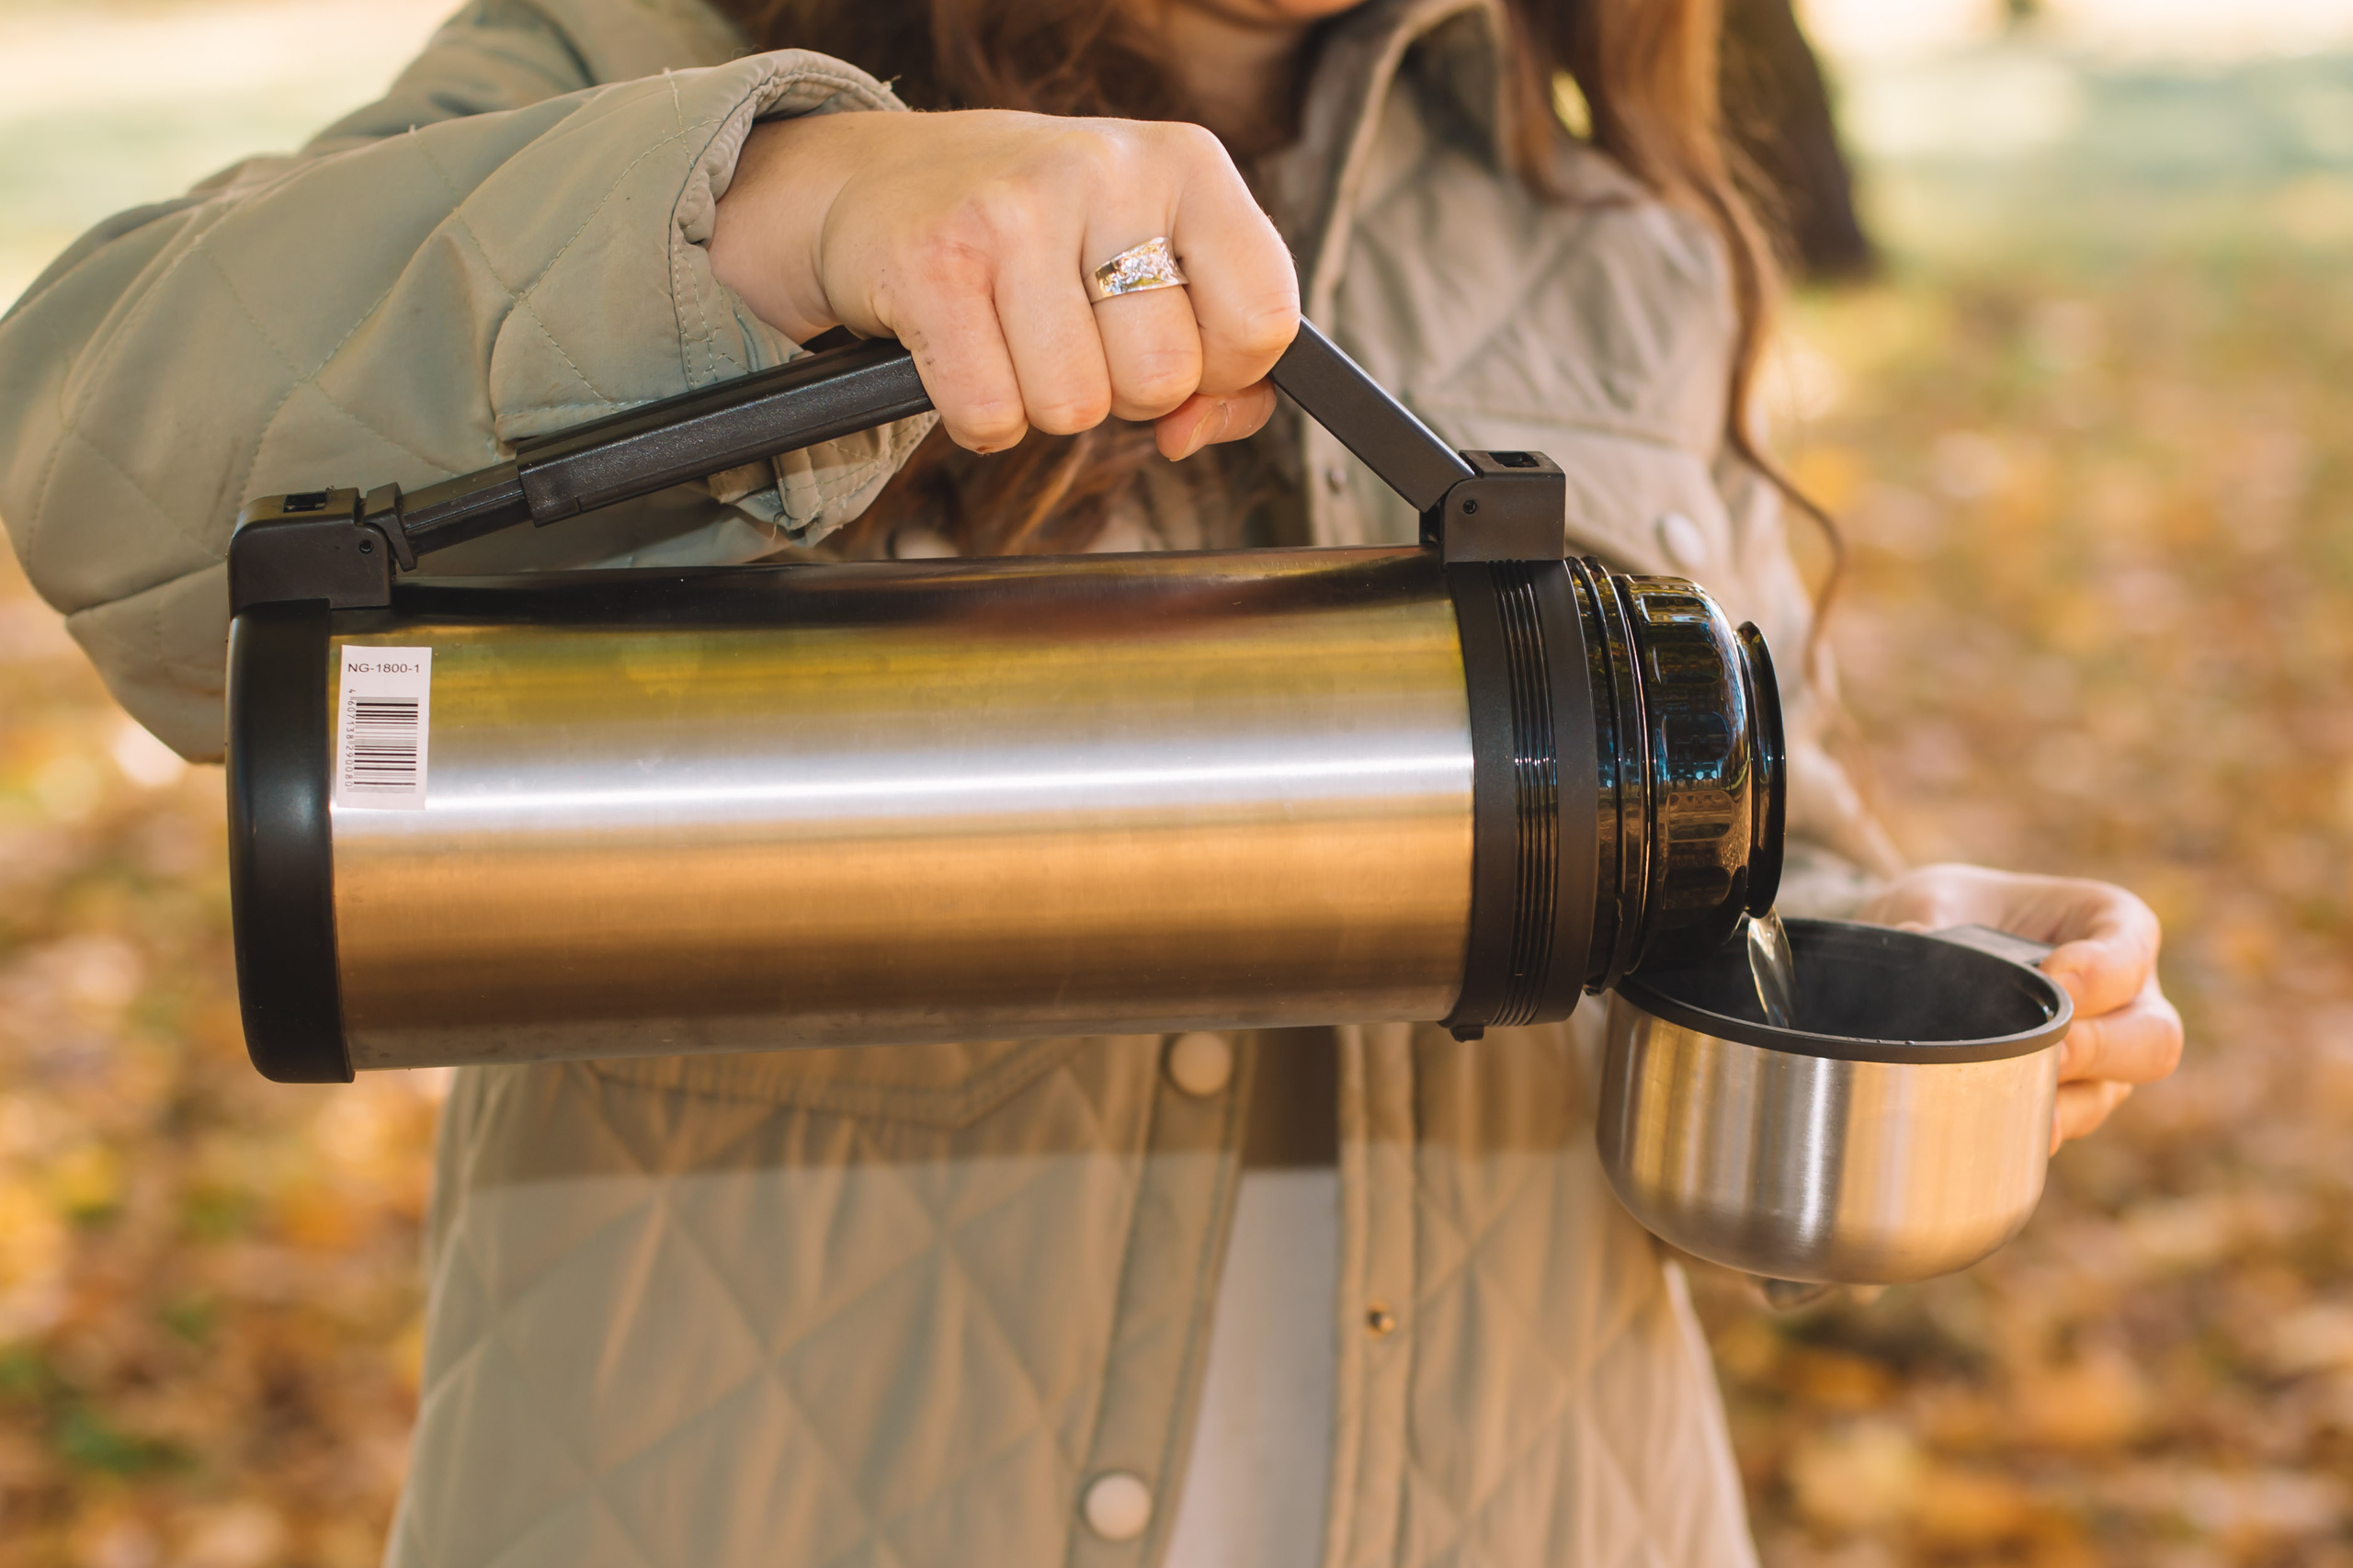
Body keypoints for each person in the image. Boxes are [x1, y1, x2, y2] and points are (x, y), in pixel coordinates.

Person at [0, 1, 2183, 1563]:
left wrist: (1874, 956)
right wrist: (801, 201)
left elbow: (1700, 821)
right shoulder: (649, 59)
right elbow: (106, 458)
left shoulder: (1608, 226)